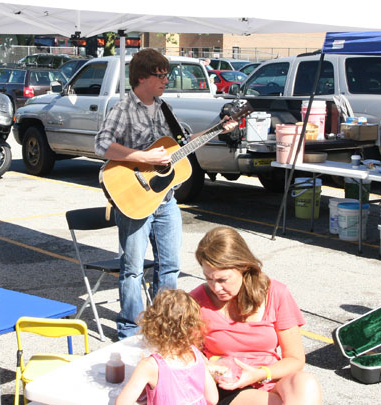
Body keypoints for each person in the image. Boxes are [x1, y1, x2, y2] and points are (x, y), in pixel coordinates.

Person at [94, 49, 236, 339]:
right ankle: (130, 330)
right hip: (134, 198)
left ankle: (162, 327)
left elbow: (181, 146)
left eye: (166, 74)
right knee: (133, 269)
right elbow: (101, 145)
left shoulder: (164, 108)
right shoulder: (123, 109)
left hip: (166, 200)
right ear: (142, 77)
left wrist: (219, 130)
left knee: (170, 267)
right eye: (160, 75)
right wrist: (142, 158)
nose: (166, 80)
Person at [190, 227, 321, 405]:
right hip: (229, 384)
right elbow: (188, 353)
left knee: (306, 384)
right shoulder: (197, 300)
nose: (215, 288)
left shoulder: (276, 293)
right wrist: (212, 368)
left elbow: (295, 359)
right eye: (208, 278)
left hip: (268, 376)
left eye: (222, 280)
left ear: (243, 267)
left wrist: (260, 373)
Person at [115, 289, 219, 405]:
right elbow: (212, 399)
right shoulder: (196, 355)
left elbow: (122, 403)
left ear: (153, 325)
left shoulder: (150, 365)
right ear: (193, 325)